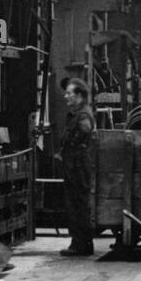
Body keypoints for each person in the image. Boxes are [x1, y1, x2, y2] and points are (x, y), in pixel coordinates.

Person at [60, 78, 96, 257]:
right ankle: (81, 242)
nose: (65, 96)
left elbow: (84, 130)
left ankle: (80, 244)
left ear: (80, 96)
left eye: (69, 93)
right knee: (77, 204)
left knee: (77, 204)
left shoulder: (82, 116)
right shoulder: (79, 114)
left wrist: (72, 146)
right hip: (76, 165)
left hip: (78, 167)